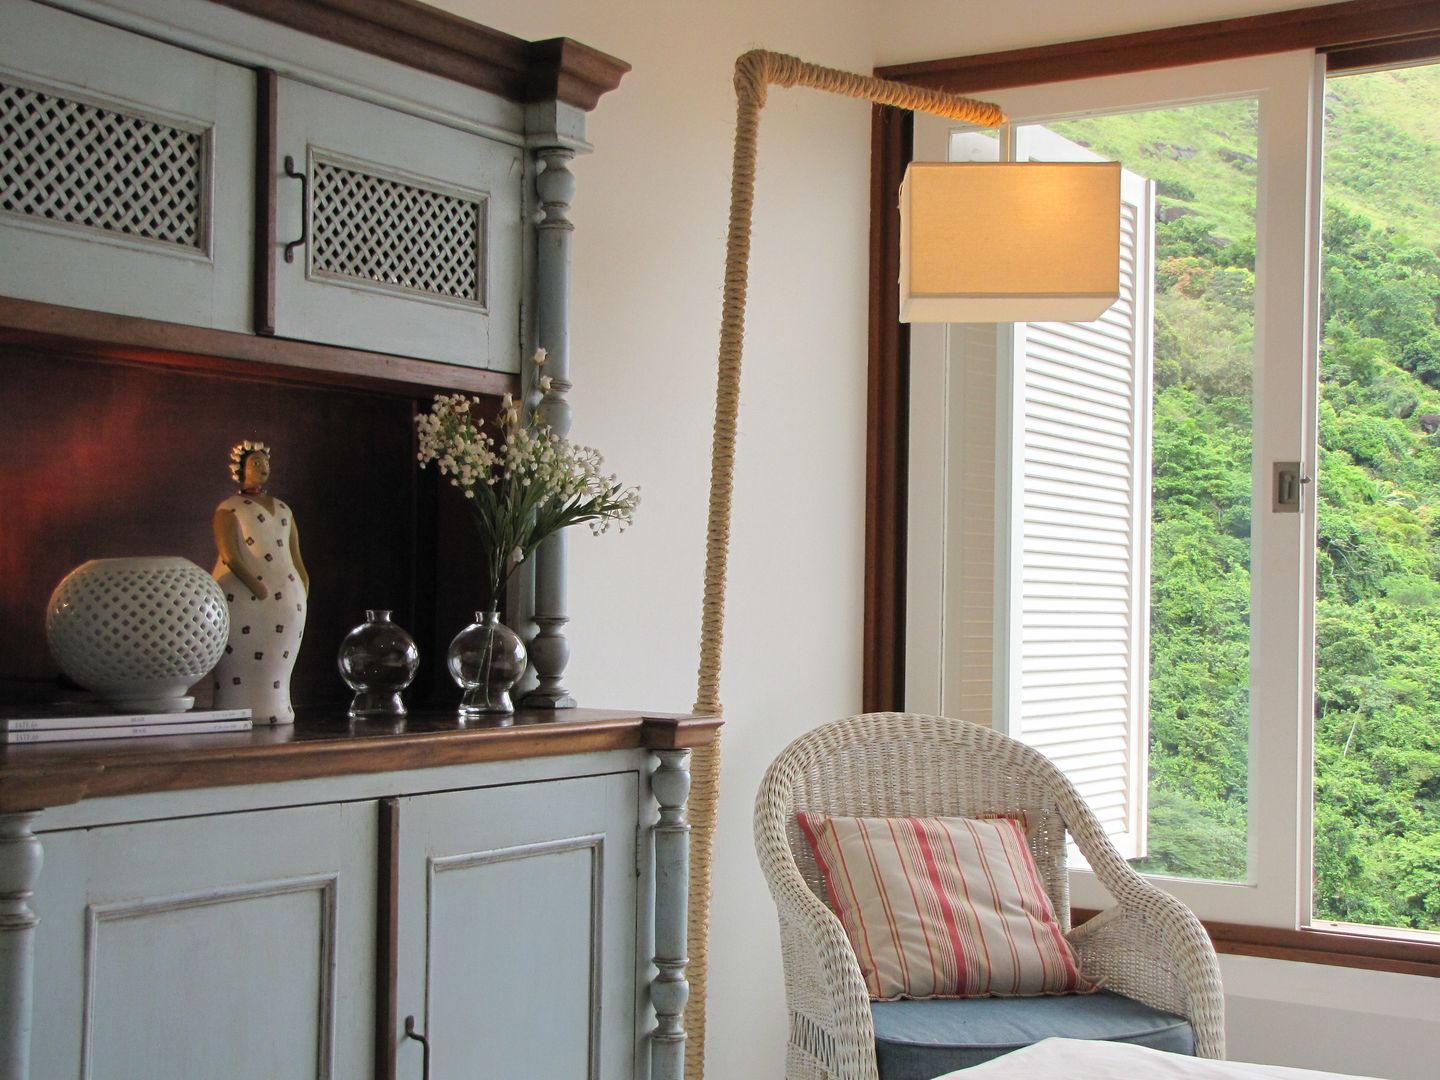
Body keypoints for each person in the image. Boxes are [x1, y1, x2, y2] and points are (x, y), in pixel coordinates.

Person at [211, 440, 309, 724]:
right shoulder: (229, 508)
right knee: (242, 654)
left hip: (289, 599)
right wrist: (255, 586)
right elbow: (229, 553)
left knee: (278, 656)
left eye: (265, 463)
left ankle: (277, 707)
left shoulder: (283, 509)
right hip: (242, 597)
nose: (262, 468)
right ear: (240, 469)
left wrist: (302, 586)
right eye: (255, 463)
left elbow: (295, 554)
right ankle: (234, 707)